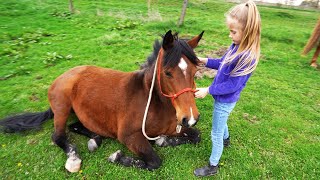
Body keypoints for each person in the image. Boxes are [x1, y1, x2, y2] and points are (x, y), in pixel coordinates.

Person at [193, 1, 261, 177]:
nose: (230, 35)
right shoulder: (236, 47)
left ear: (247, 32)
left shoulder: (247, 58)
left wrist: (208, 90)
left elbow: (232, 85)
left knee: (215, 132)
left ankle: (213, 166)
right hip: (222, 100)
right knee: (222, 121)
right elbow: (221, 63)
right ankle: (227, 139)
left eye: (233, 32)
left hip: (225, 101)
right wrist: (205, 60)